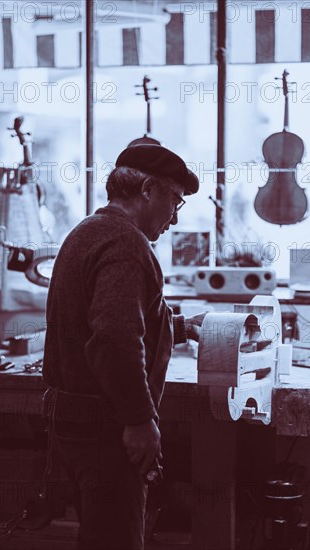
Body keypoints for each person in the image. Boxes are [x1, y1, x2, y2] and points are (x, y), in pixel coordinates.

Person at [42, 144, 205, 550]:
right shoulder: (127, 245)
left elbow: (109, 321)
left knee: (100, 534)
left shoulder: (90, 231)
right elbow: (114, 340)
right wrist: (138, 420)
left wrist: (182, 328)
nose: (175, 217)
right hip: (106, 429)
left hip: (76, 422)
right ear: (148, 189)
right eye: (175, 200)